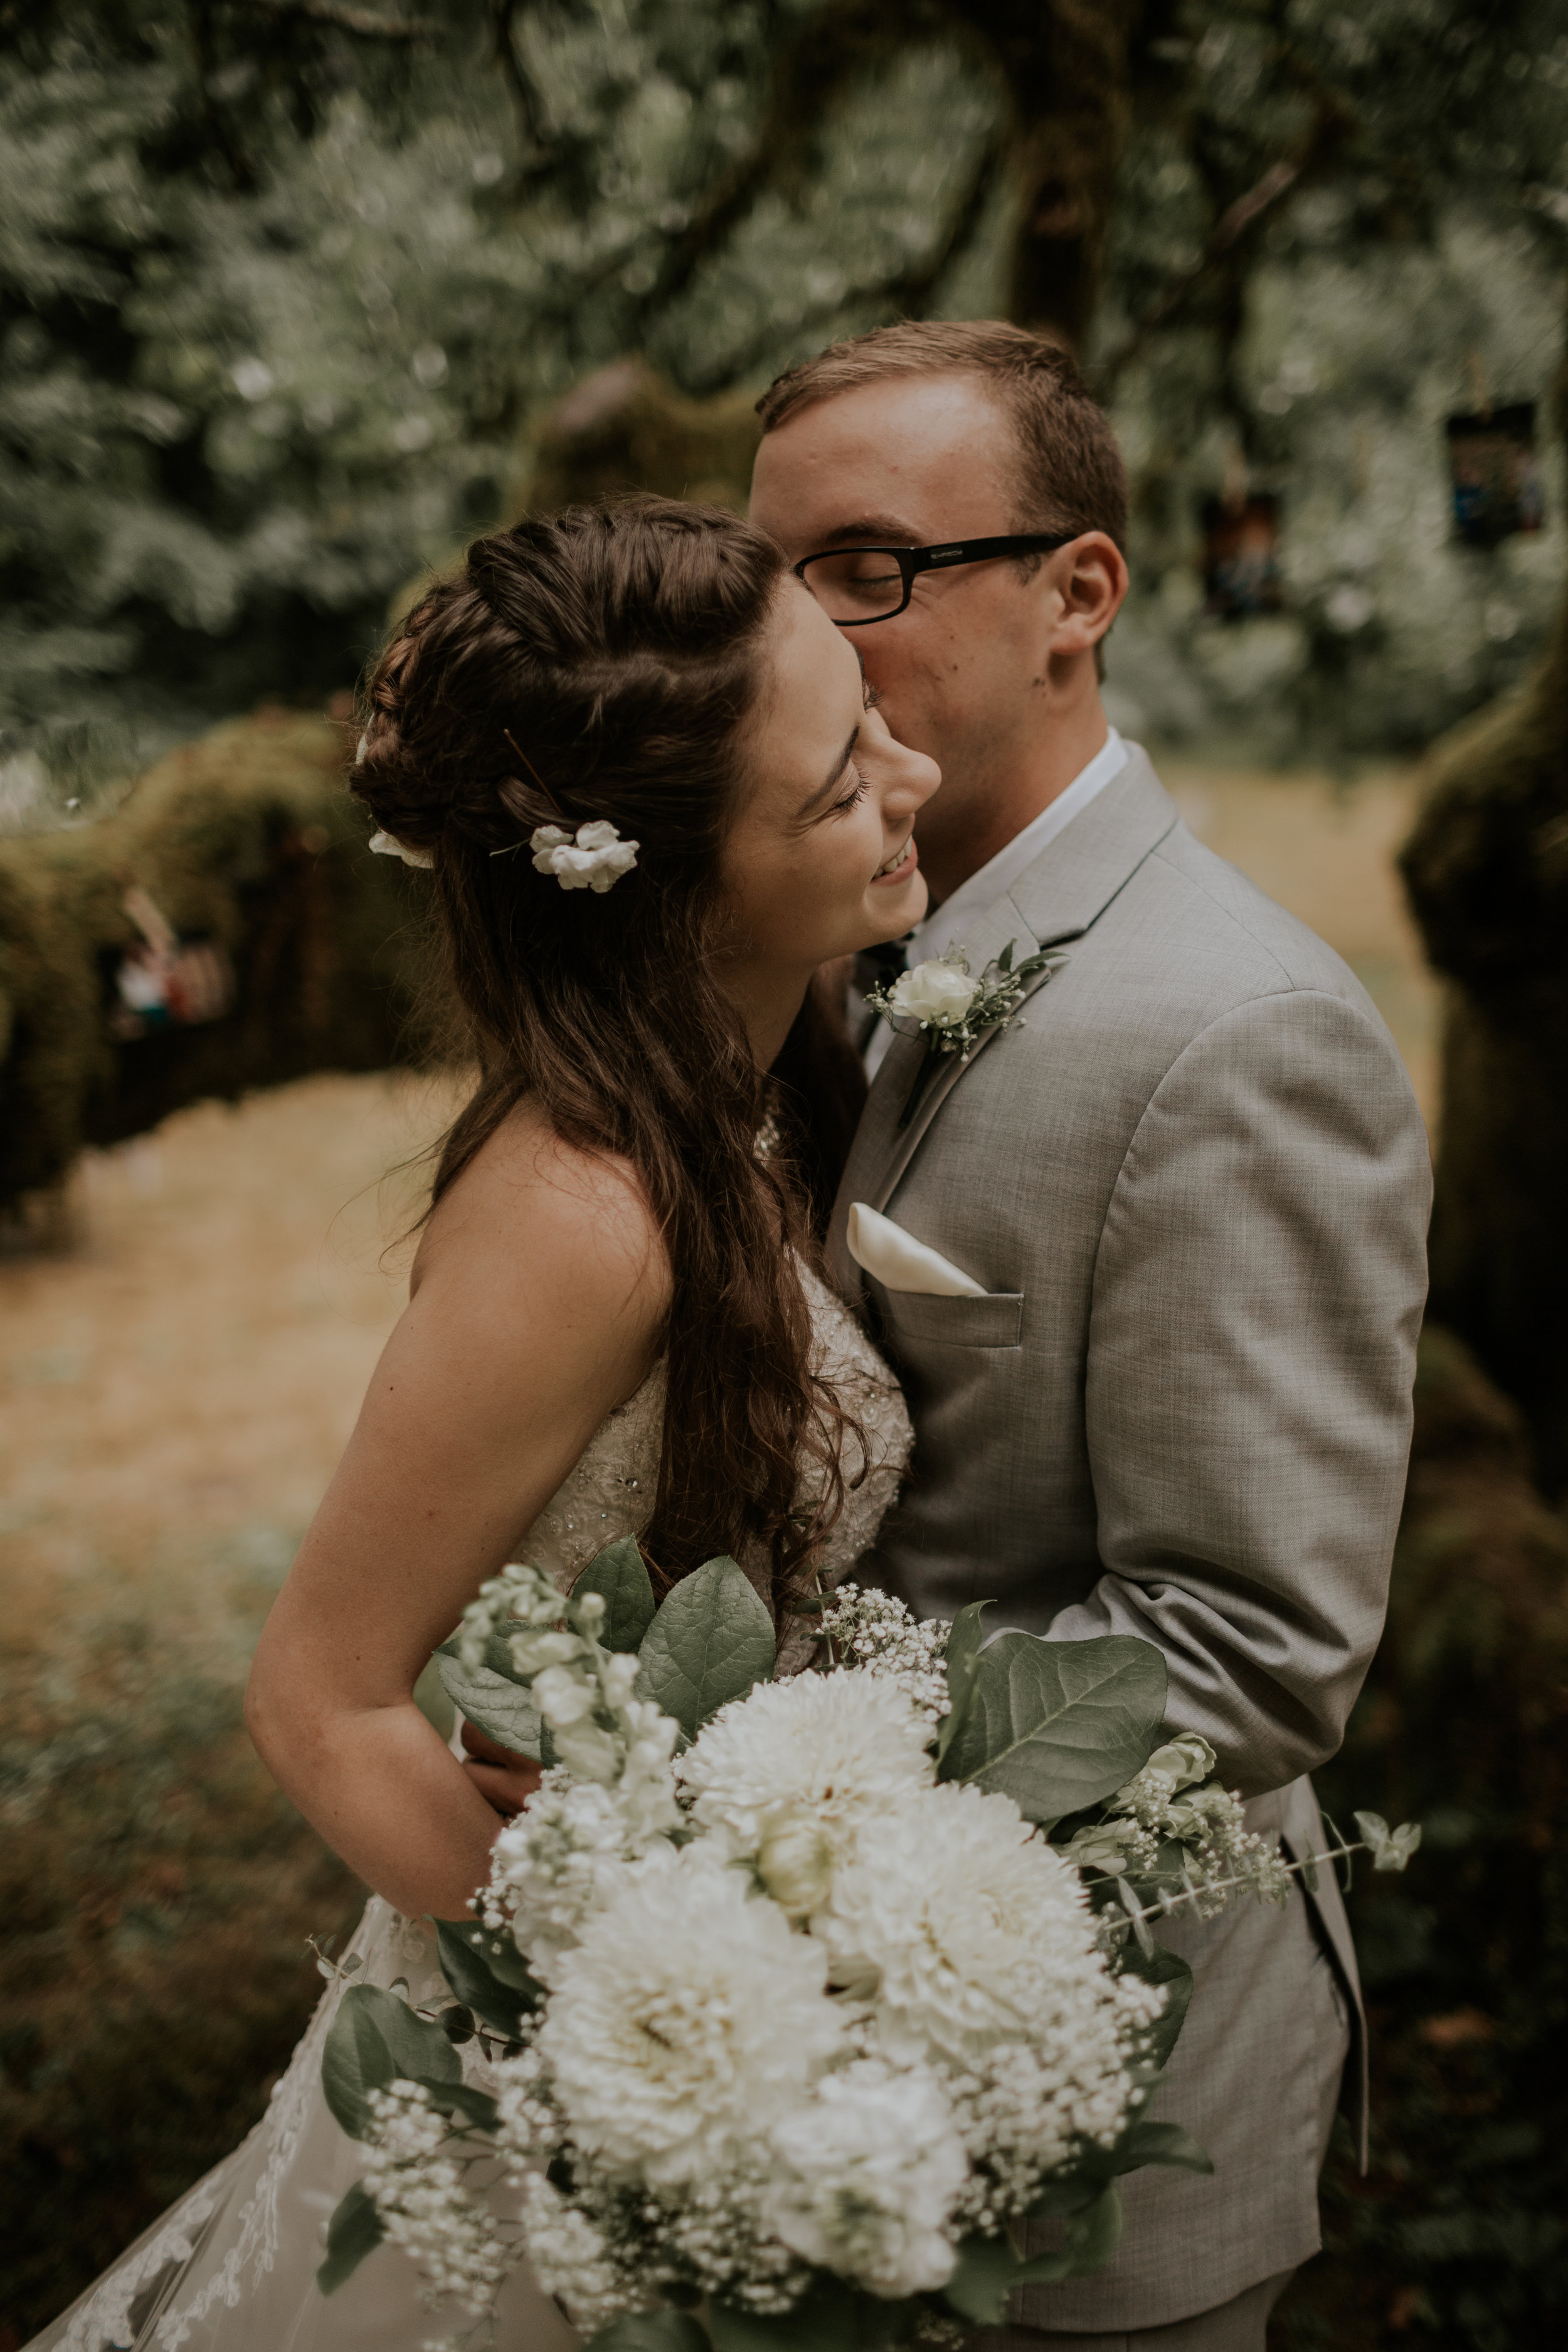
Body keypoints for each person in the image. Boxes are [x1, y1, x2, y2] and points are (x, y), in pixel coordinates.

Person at [27, 499, 928, 2351]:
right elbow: (318, 1693)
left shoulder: (754, 1091)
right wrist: (656, 2018)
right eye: (839, 776)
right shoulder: (583, 1221)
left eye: (872, 714)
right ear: (677, 880)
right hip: (577, 2094)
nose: (908, 771)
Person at [742, 319, 1433, 2351]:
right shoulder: (802, 944)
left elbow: (1248, 1645)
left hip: (1100, 2115)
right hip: (808, 2092)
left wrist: (735, 1792)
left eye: (867, 568)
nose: (797, 635)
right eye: (765, 576)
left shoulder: (1236, 1033)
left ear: (1080, 592)